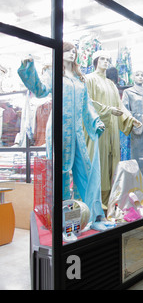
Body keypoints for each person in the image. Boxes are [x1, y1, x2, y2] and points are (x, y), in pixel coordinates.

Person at [17, 42, 111, 231]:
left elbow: (87, 107)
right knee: (60, 173)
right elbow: (41, 90)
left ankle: (90, 217)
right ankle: (61, 221)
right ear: (60, 53)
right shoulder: (53, 74)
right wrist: (28, 68)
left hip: (77, 131)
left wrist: (95, 121)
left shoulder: (79, 79)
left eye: (74, 51)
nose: (72, 53)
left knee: (85, 170)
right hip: (59, 129)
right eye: (68, 50)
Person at [85, 50, 142, 208]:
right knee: (100, 164)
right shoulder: (89, 79)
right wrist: (107, 110)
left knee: (113, 164)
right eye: (102, 59)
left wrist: (130, 118)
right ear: (95, 60)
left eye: (107, 59)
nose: (105, 62)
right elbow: (87, 102)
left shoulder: (111, 84)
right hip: (99, 129)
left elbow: (120, 105)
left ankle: (111, 203)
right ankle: (97, 205)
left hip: (113, 130)